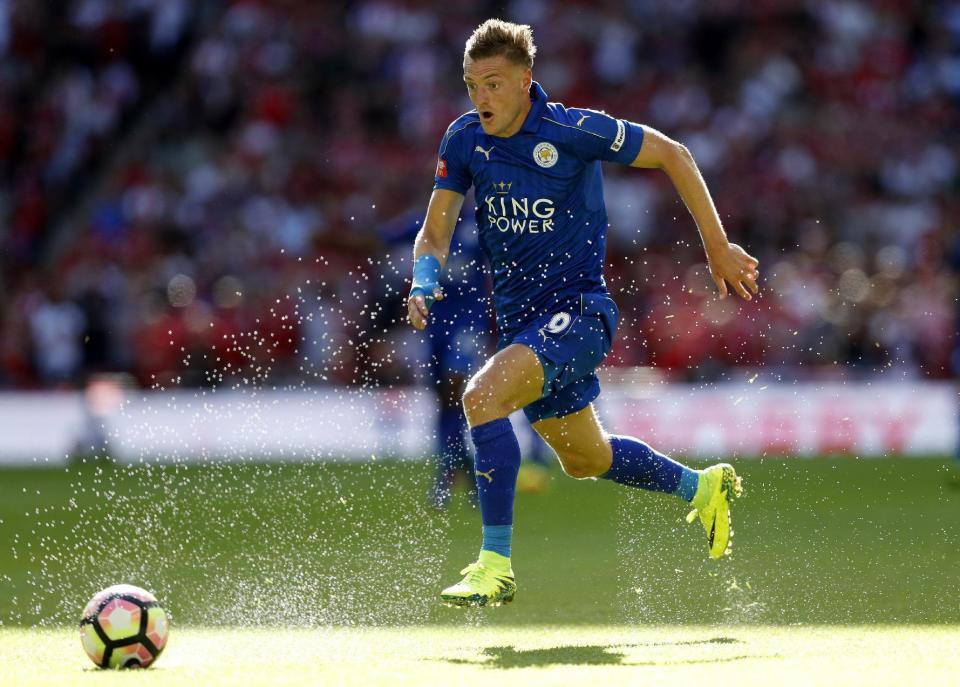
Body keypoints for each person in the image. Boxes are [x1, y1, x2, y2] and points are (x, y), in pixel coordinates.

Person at [407, 19, 759, 608]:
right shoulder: (463, 141)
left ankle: (494, 565)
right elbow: (433, 232)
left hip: (579, 314)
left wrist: (717, 245)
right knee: (584, 458)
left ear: (525, 81)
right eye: (471, 85)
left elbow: (674, 153)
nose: (481, 98)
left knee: (480, 398)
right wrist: (423, 280)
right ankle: (703, 487)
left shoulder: (573, 131)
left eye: (493, 83)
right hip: (524, 328)